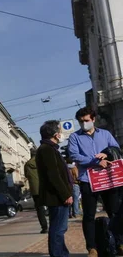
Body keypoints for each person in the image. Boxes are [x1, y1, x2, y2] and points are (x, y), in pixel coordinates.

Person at [68, 107, 122, 257]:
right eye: (81, 121)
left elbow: (115, 148)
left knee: (115, 213)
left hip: (108, 178)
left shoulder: (105, 134)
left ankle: (120, 243)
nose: (83, 123)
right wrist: (94, 162)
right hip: (88, 179)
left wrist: (106, 154)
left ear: (93, 119)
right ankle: (92, 248)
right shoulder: (75, 137)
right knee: (89, 216)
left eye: (86, 120)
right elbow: (74, 154)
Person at [36, 120, 73, 257]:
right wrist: (65, 194)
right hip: (56, 197)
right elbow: (54, 175)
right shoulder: (46, 149)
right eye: (60, 131)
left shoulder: (50, 149)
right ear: (56, 134)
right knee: (58, 229)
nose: (62, 134)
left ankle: (62, 254)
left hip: (57, 196)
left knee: (59, 229)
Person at [24, 148, 48, 233]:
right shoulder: (42, 162)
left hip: (35, 189)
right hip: (45, 188)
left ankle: (44, 227)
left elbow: (26, 175)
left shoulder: (27, 164)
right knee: (52, 206)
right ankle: (54, 225)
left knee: (39, 209)